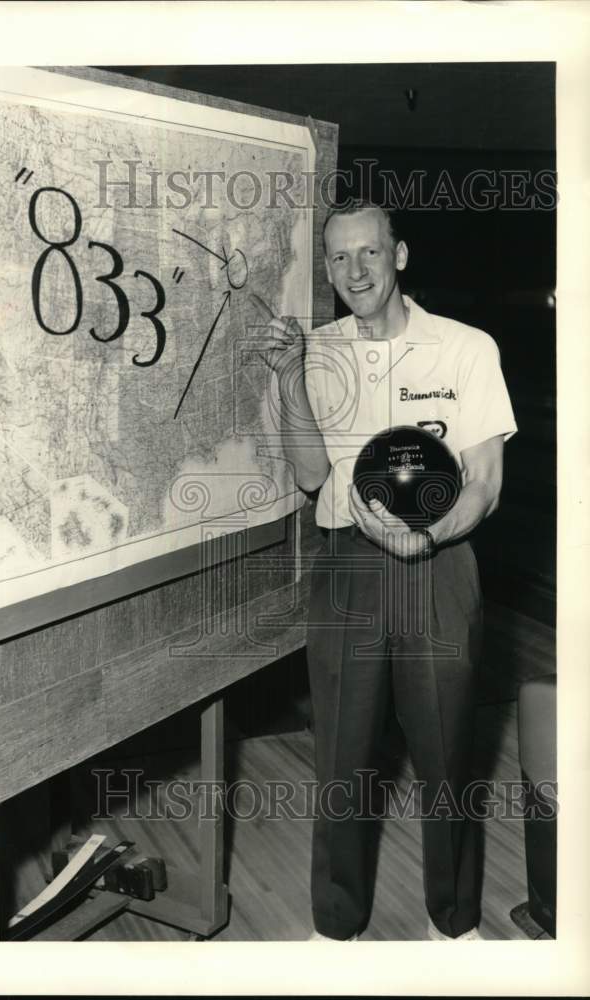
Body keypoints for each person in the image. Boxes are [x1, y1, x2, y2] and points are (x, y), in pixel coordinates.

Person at [254, 200, 517, 942]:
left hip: (441, 566)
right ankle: (336, 929)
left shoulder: (466, 348)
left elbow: (486, 481)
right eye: (339, 258)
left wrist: (429, 537)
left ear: (399, 255)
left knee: (447, 750)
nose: (354, 271)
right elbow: (311, 478)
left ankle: (454, 924)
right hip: (347, 565)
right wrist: (288, 380)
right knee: (340, 755)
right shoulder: (320, 349)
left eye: (369, 253)